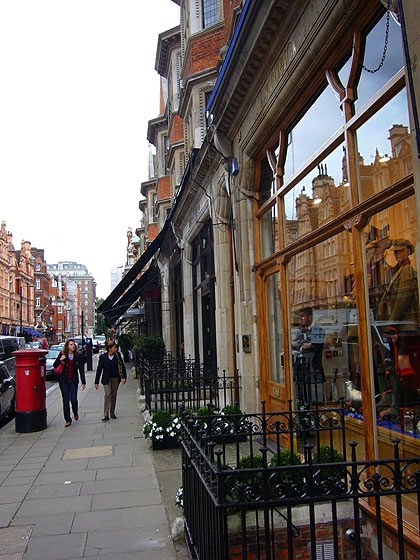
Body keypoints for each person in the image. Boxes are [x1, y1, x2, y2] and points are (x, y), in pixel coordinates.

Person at [376, 238, 419, 416]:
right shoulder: (398, 271)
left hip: (405, 327)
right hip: (399, 327)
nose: (397, 254)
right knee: (393, 365)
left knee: (402, 366)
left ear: (408, 250)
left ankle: (401, 404)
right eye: (395, 251)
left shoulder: (407, 270)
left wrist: (392, 324)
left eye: (400, 251)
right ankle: (396, 402)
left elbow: (403, 298)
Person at [292, 307, 325, 403]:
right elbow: (293, 345)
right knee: (301, 397)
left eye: (302, 316)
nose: (300, 318)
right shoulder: (300, 331)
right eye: (299, 316)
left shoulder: (318, 330)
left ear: (310, 317)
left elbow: (315, 346)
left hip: (313, 370)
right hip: (300, 370)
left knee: (315, 399)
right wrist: (302, 345)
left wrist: (301, 345)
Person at [53, 338, 86, 427]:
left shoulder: (78, 356)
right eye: (71, 345)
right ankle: (67, 419)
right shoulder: (62, 354)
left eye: (73, 344)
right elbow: (55, 365)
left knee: (74, 399)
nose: (73, 346)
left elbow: (81, 369)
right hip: (63, 381)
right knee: (65, 400)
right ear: (67, 346)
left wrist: (83, 381)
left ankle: (75, 411)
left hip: (73, 380)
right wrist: (60, 360)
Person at [94, 339, 127, 421]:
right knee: (108, 394)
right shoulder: (103, 357)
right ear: (109, 348)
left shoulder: (117, 356)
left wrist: (124, 377)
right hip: (106, 379)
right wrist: (96, 381)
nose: (116, 349)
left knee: (114, 395)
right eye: (114, 347)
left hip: (115, 378)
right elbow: (99, 369)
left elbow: (122, 366)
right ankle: (105, 414)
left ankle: (112, 412)